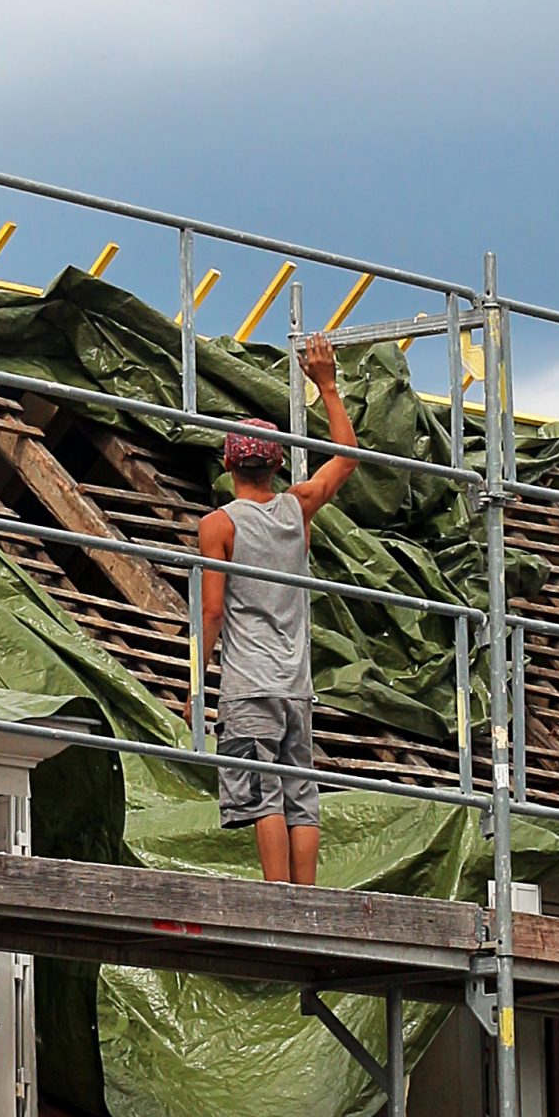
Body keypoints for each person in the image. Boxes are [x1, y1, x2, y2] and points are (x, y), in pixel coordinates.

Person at [196, 336, 359, 885]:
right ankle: (306, 898)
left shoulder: (219, 524)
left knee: (262, 790)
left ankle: (277, 897)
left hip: (249, 683)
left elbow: (213, 611)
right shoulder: (297, 509)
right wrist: (327, 385)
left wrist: (197, 679)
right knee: (300, 791)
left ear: (228, 464)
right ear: (278, 464)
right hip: (295, 682)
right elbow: (347, 457)